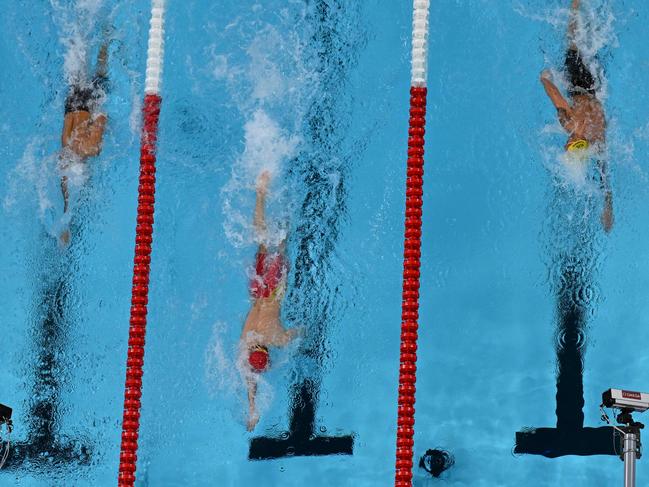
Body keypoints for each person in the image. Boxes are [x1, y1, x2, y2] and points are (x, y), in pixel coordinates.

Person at [539, 0, 613, 233]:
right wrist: (544, 78)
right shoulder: (570, 123)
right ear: (574, 143)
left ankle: (589, 13)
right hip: (580, 83)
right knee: (573, 45)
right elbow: (554, 94)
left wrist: (608, 206)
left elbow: (605, 177)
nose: (566, 144)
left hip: (598, 87)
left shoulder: (599, 139)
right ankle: (574, 6)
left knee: (593, 46)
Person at [240, 171, 299, 431]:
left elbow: (300, 332)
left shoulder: (277, 338)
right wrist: (251, 408)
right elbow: (248, 376)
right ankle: (261, 194)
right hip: (257, 290)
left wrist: (301, 332)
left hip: (273, 291)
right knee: (263, 244)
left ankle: (286, 202)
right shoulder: (247, 338)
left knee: (282, 244)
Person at [59, 37, 110, 245]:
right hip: (72, 105)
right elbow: (66, 199)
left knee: (100, 73)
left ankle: (105, 40)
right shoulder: (65, 149)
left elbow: (102, 117)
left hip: (88, 103)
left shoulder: (91, 149)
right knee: (78, 64)